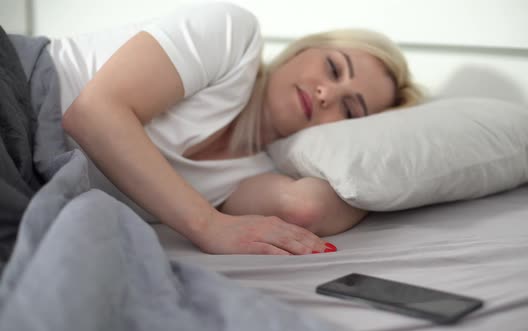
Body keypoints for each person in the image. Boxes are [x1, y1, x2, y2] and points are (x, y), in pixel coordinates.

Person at [53, 2, 422, 256]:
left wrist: (387, 174)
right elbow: (91, 111)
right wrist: (207, 225)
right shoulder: (233, 36)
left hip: (36, 181)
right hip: (22, 94)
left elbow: (305, 208)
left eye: (350, 109)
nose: (327, 93)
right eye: (333, 67)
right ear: (302, 50)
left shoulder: (258, 174)